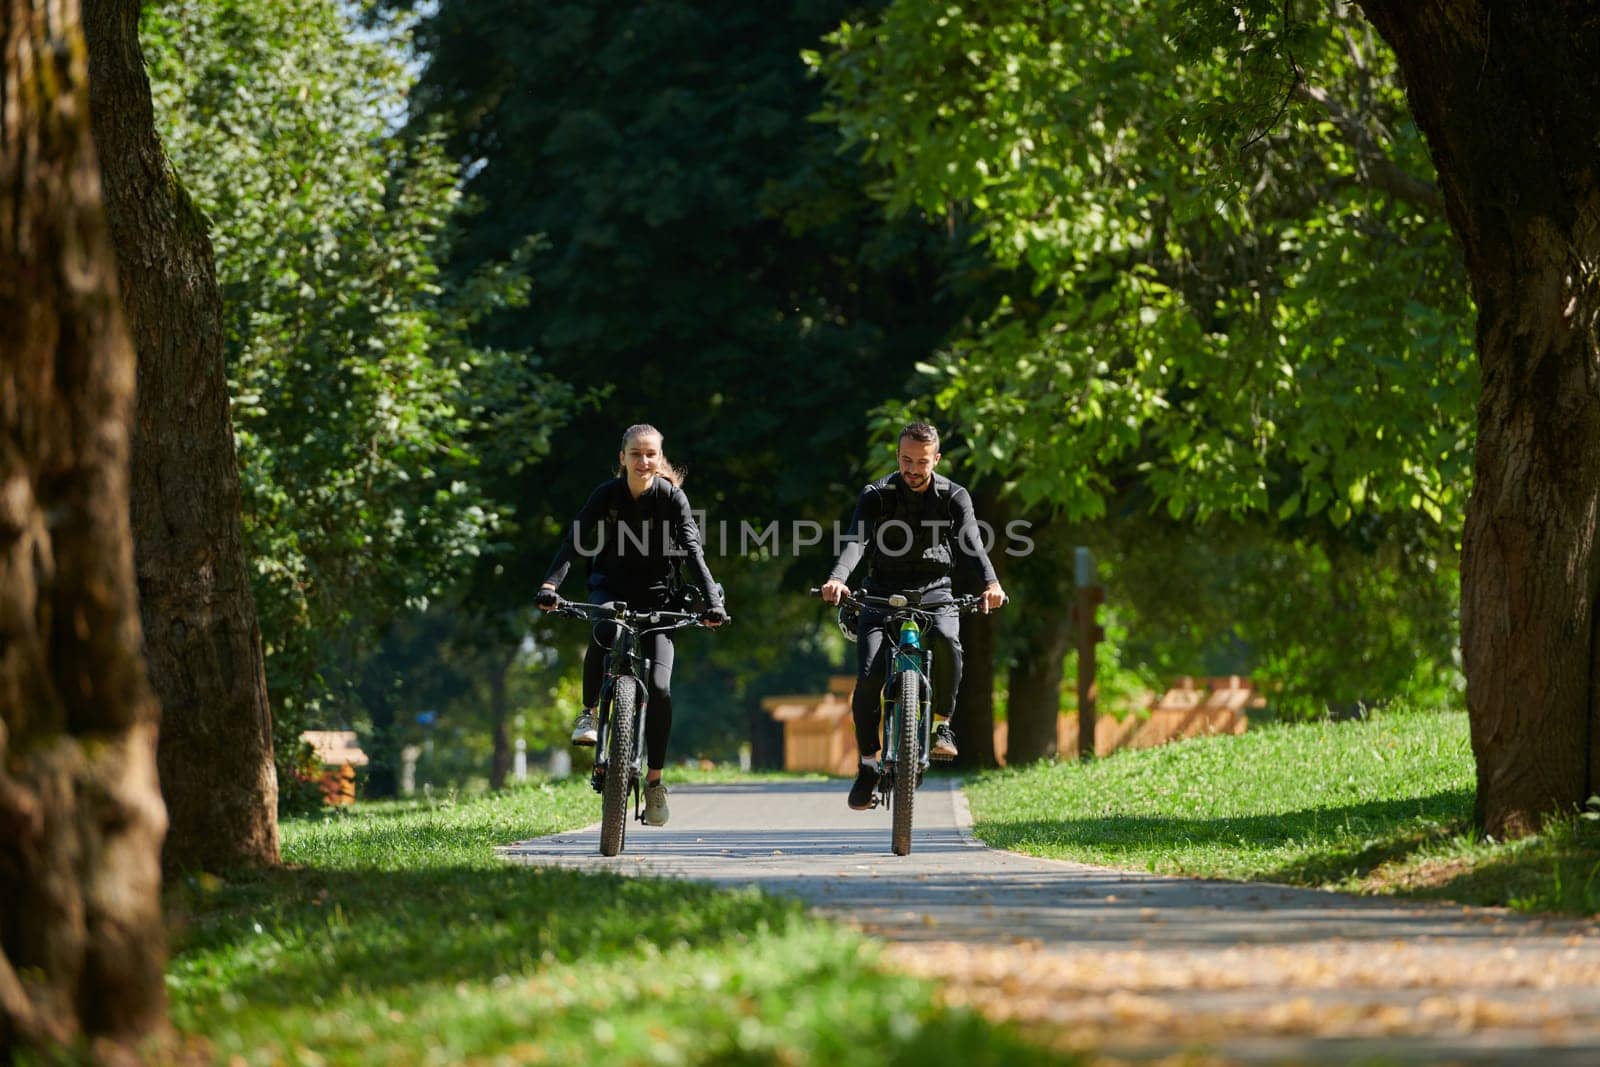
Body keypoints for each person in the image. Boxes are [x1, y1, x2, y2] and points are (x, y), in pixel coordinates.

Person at [536, 423, 726, 827]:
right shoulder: (606, 495)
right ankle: (588, 712)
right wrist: (551, 584)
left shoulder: (672, 498)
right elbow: (575, 540)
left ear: (660, 458)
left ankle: (655, 782)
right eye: (636, 454)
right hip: (612, 590)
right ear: (622, 458)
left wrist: (712, 602)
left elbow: (693, 551)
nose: (643, 461)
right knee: (605, 631)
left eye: (651, 454)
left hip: (661, 599)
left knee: (659, 687)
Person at [820, 421, 1006, 810]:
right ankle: (868, 765)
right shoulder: (876, 495)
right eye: (906, 460)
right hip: (881, 591)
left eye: (922, 462)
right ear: (898, 456)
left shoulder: (954, 496)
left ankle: (942, 726)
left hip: (935, 590)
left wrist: (991, 583)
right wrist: (838, 579)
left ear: (935, 459)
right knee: (869, 676)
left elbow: (971, 543)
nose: (913, 469)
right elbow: (857, 540)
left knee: (948, 641)